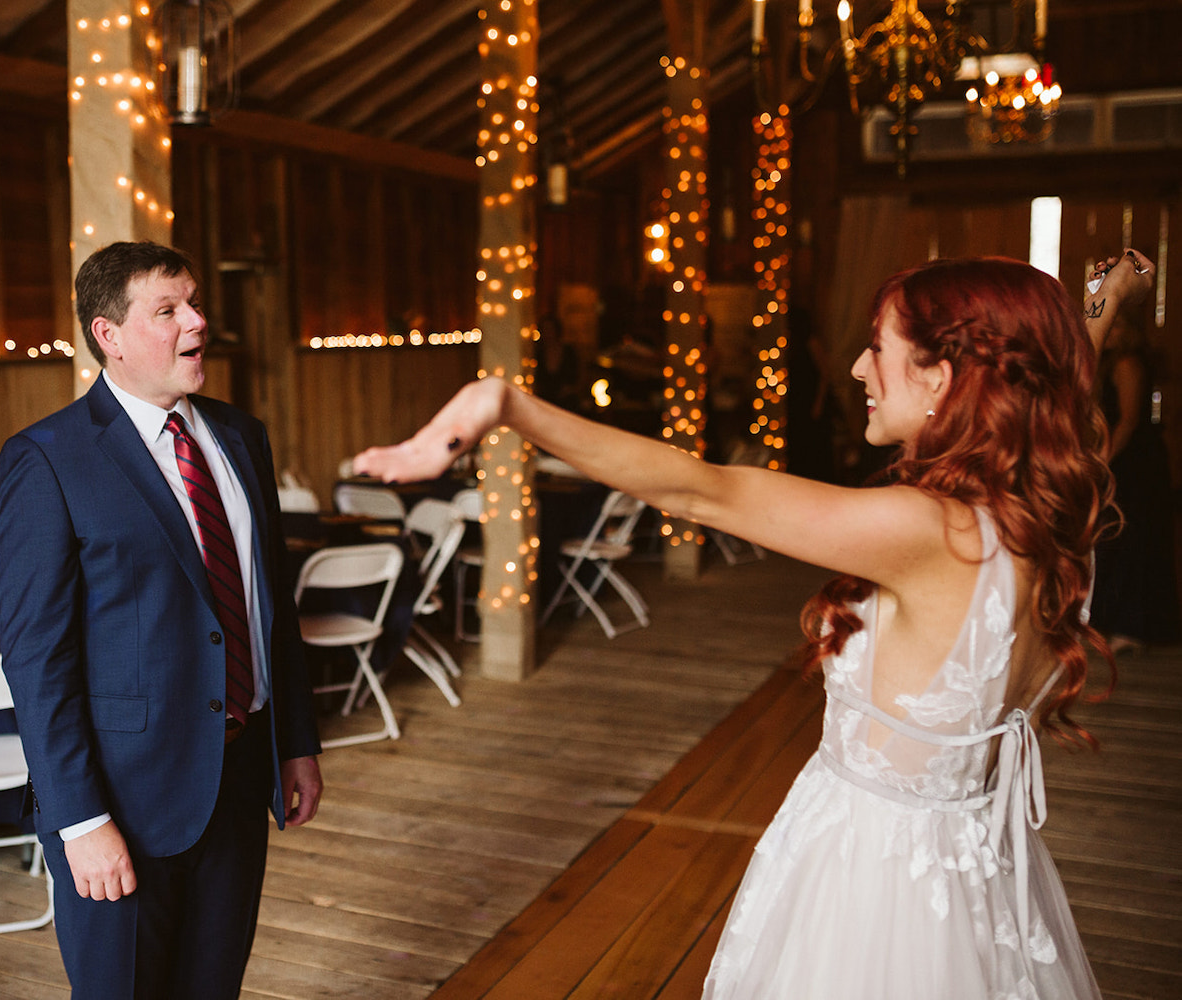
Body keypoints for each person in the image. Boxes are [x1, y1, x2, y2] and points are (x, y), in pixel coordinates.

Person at [355, 256, 1115, 998]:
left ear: (940, 379)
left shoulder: (930, 532)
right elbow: (1067, 392)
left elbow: (702, 492)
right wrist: (1099, 310)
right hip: (980, 871)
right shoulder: (1050, 518)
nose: (855, 370)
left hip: (874, 879)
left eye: (877, 348)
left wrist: (506, 406)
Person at [0, 241, 323, 999]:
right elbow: (37, 661)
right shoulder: (46, 459)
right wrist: (80, 821)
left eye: (195, 302)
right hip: (123, 800)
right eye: (169, 310)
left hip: (238, 776)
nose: (198, 322)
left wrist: (295, 744)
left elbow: (271, 604)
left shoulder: (242, 438)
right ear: (108, 334)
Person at [1084, 249, 1179, 650]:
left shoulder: (1128, 364)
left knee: (1133, 536)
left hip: (1133, 461)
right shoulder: (1104, 363)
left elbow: (1128, 420)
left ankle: (1134, 626)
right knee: (1113, 539)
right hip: (1118, 457)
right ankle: (1110, 621)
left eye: (1118, 325)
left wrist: (1103, 458)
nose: (1113, 332)